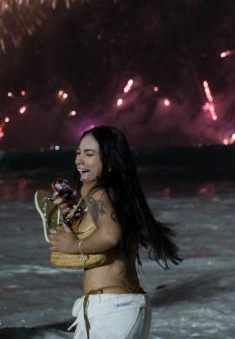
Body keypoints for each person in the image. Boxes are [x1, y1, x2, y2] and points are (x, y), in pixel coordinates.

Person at [48, 126, 181, 339]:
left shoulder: (97, 193)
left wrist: (74, 245)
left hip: (110, 311)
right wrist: (72, 213)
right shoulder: (118, 195)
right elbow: (102, 232)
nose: (79, 160)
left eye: (89, 154)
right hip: (128, 307)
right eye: (78, 152)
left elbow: (110, 235)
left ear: (109, 163)